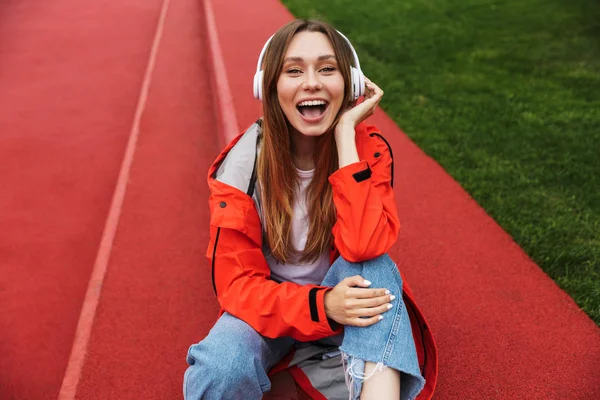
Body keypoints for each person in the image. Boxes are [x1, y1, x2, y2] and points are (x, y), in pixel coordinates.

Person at [184, 19, 437, 400]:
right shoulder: (240, 165)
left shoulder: (368, 150)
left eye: (327, 68)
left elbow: (364, 245)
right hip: (270, 309)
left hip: (346, 299)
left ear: (350, 83)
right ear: (268, 87)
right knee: (221, 367)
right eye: (294, 70)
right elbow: (235, 288)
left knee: (375, 268)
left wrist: (345, 134)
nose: (312, 82)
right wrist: (322, 306)